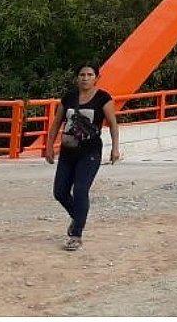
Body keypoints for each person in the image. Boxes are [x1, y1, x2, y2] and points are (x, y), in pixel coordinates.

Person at [45, 64, 120, 250]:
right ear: (77, 78)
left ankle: (76, 234)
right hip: (68, 150)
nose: (85, 78)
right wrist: (49, 146)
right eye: (82, 74)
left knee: (80, 190)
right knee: (60, 192)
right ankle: (78, 216)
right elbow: (56, 124)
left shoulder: (103, 98)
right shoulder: (69, 98)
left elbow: (112, 124)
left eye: (89, 75)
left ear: (96, 78)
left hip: (90, 152)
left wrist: (115, 148)